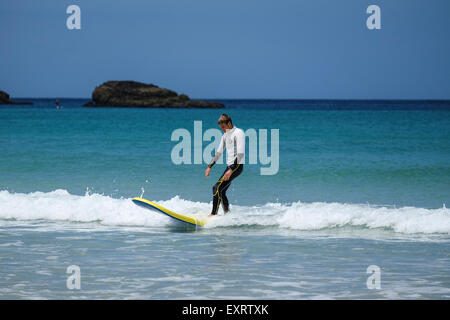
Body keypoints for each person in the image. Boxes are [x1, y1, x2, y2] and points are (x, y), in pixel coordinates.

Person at [205, 114, 245, 217]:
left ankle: (213, 214)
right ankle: (227, 215)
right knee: (221, 191)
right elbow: (218, 153)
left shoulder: (239, 133)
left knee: (216, 187)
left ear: (229, 123)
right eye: (221, 128)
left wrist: (231, 169)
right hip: (229, 168)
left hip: (237, 166)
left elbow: (240, 154)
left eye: (223, 127)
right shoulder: (225, 136)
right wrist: (210, 166)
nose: (222, 129)